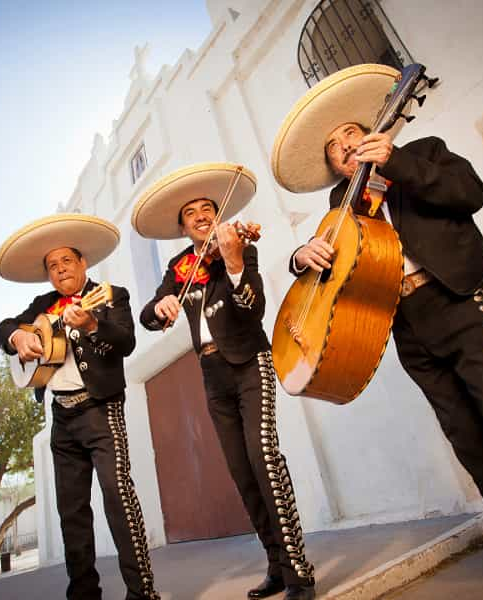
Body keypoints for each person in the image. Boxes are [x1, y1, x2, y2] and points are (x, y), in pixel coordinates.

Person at [271, 63, 483, 600]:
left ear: (371, 134)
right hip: (405, 328)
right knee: (472, 445)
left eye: (350, 134)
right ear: (332, 169)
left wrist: (397, 161)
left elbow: (471, 193)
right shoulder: (336, 209)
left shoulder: (423, 153)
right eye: (333, 148)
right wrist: (301, 256)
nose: (344, 146)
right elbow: (335, 272)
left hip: (457, 300)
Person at [133, 163, 315, 600]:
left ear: (217, 216)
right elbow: (148, 314)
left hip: (251, 362)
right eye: (191, 212)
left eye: (207, 209)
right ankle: (275, 566)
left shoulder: (237, 245)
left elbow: (252, 308)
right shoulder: (181, 269)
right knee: (241, 472)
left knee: (263, 458)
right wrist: (160, 310)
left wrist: (233, 261)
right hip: (212, 374)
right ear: (183, 226)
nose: (200, 215)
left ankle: (299, 572)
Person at [0, 214, 162, 600]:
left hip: (100, 409)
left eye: (66, 261)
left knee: (118, 498)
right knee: (71, 513)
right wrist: (19, 335)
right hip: (62, 417)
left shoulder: (111, 295)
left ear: (83, 262)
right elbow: (1, 329)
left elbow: (125, 342)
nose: (60, 270)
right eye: (52, 266)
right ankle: (83, 594)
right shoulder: (43, 304)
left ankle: (142, 592)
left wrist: (90, 326)